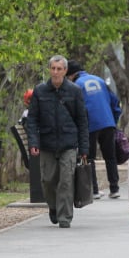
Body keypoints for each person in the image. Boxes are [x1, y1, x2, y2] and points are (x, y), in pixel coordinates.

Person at [26, 55, 89, 228]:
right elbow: (32, 120)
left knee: (66, 181)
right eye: (53, 68)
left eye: (59, 69)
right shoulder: (40, 91)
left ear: (65, 71)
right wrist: (33, 143)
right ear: (49, 69)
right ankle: (53, 207)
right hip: (47, 143)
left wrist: (84, 148)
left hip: (68, 143)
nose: (55, 72)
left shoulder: (74, 91)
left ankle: (65, 217)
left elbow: (82, 121)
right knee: (48, 180)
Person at [66, 60, 122, 200]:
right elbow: (115, 101)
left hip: (90, 124)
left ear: (71, 75)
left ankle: (95, 190)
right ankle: (114, 189)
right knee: (110, 156)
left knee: (88, 157)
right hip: (107, 122)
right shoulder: (100, 80)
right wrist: (113, 121)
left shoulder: (75, 85)